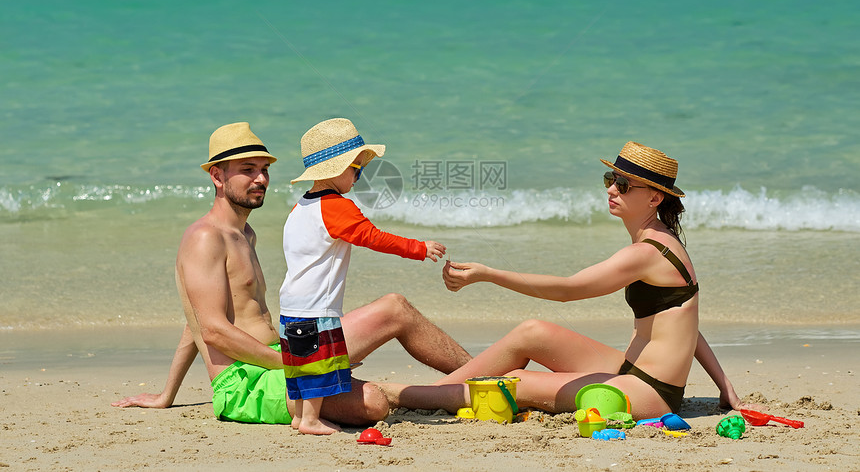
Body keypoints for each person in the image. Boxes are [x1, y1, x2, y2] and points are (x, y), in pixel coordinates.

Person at [112, 122, 470, 427]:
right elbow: (213, 330)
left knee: (395, 307)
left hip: (284, 350)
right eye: (248, 169)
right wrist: (294, 361)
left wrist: (166, 394)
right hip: (247, 383)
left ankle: (485, 376)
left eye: (264, 169)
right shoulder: (205, 238)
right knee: (374, 401)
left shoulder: (245, 235)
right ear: (217, 176)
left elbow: (194, 322)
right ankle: (469, 390)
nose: (261, 178)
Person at [381, 142, 752, 419]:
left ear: (655, 197)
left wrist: (490, 275)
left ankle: (396, 394)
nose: (611, 189)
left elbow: (568, 290)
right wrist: (725, 386)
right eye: (611, 179)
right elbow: (687, 321)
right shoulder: (660, 241)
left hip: (649, 392)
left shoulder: (647, 252)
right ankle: (429, 394)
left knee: (518, 384)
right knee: (532, 331)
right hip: (630, 369)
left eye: (623, 184)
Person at [280, 118, 447, 435]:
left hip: (290, 305)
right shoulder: (337, 208)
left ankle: (300, 416)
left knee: (300, 364)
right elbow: (375, 237)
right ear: (334, 169)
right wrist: (418, 248)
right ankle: (311, 421)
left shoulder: (299, 207)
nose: (359, 175)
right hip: (317, 308)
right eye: (356, 167)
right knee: (318, 365)